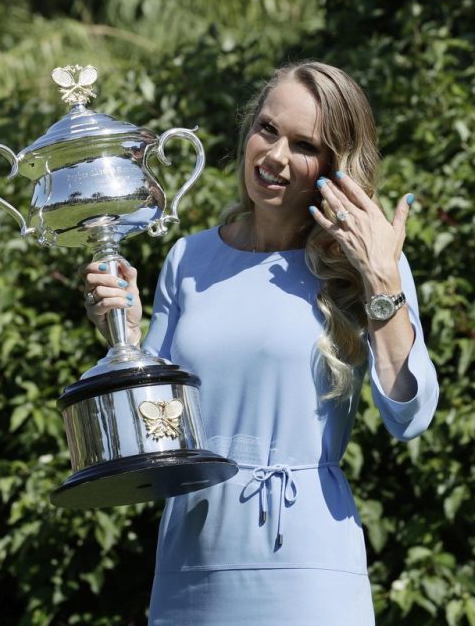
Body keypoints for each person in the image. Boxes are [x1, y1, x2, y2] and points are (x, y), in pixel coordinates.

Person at [82, 61, 438, 625]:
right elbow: (159, 430)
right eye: (267, 129)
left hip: (306, 562)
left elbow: (410, 415)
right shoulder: (188, 259)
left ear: (334, 165)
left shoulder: (368, 263)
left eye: (303, 145)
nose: (274, 157)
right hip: (191, 559)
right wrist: (123, 333)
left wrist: (384, 284)